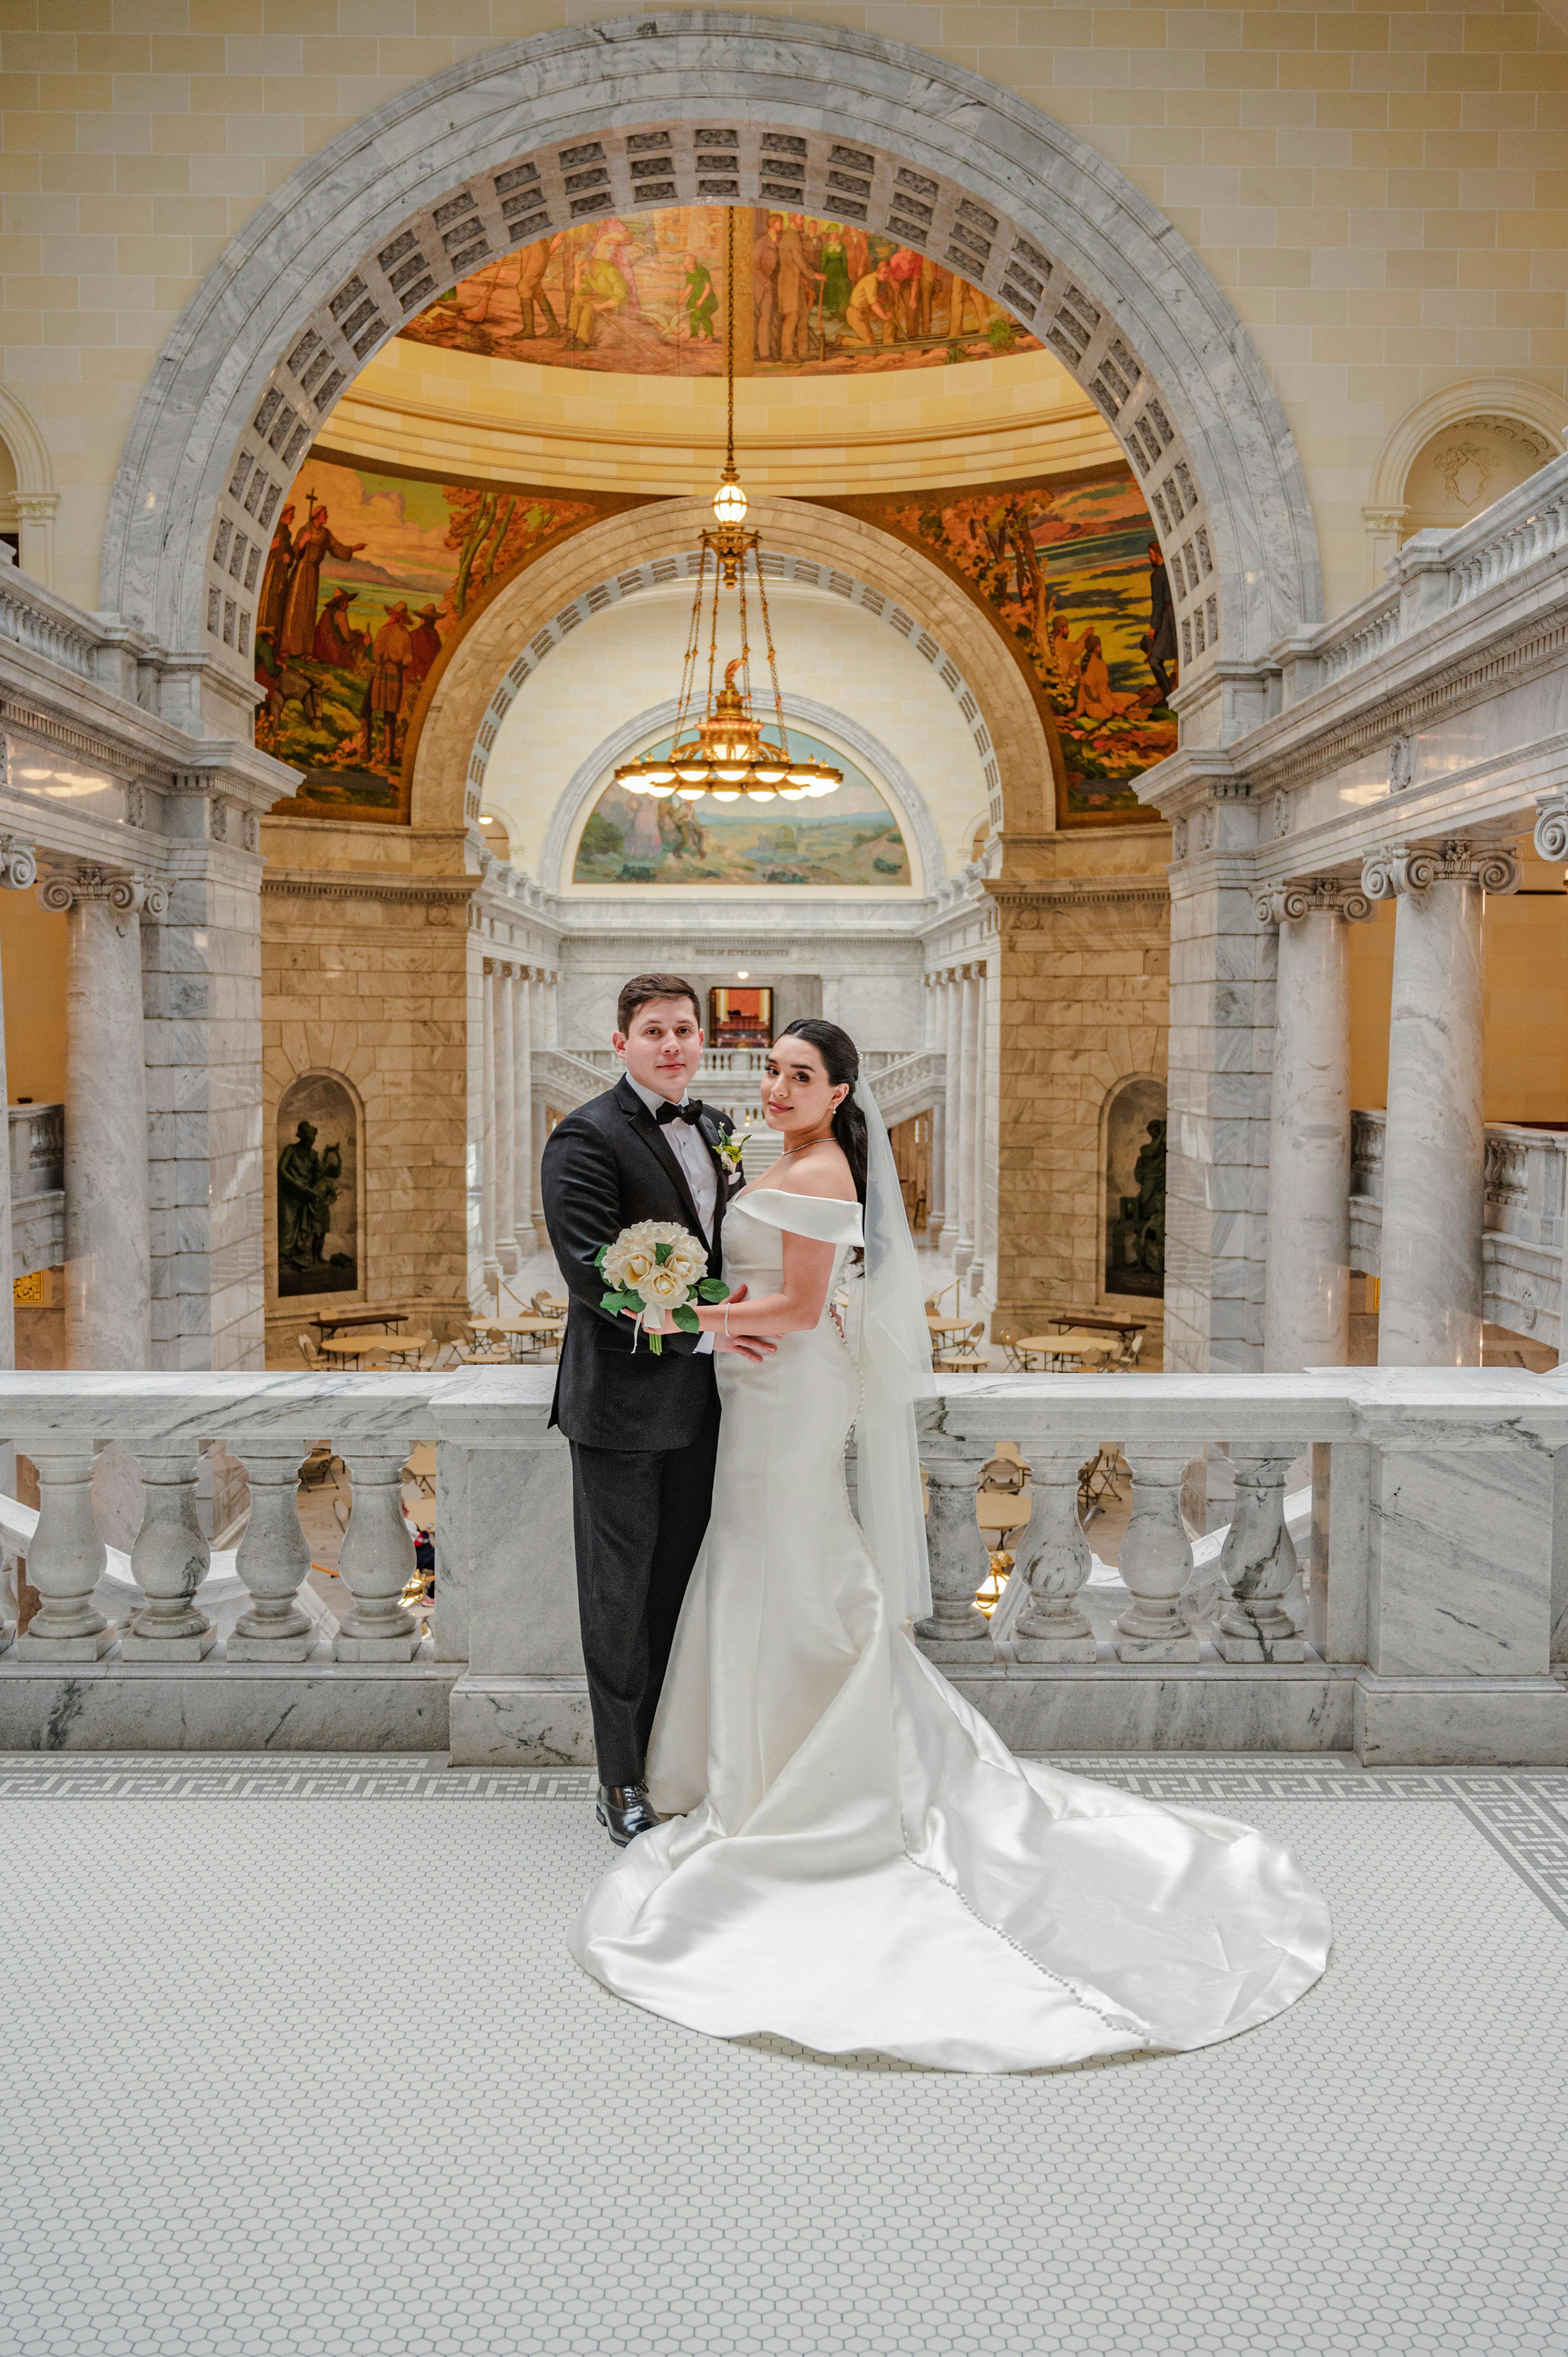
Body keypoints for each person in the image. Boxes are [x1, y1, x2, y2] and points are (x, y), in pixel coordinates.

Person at [569, 1016, 1332, 2073]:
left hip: (783, 1387)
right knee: (749, 1550)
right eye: (773, 1070)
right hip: (754, 1384)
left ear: (839, 1092)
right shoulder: (776, 1153)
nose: (778, 1084)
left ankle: (811, 1766)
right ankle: (745, 1752)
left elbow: (796, 1301)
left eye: (800, 1074)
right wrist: (695, 1309)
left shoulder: (824, 1169)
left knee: (786, 1545)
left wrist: (693, 1307)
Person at [540, 976, 775, 1850]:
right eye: (653, 1031)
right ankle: (619, 1779)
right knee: (618, 1599)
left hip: (709, 1410)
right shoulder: (584, 1135)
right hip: (621, 1408)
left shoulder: (718, 1128)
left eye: (683, 1029)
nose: (672, 1044)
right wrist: (712, 1337)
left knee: (681, 1591)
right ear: (620, 1042)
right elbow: (592, 1270)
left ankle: (676, 1761)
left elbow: (723, 1248)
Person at [278, 500, 364, 660]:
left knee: (309, 610)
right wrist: (304, 541)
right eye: (325, 514)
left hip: (313, 573)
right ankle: (287, 649)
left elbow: (337, 548)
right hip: (301, 571)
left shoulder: (325, 534)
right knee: (295, 609)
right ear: (317, 516)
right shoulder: (304, 530)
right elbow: (296, 551)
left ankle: (306, 652)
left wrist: (353, 549)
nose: (327, 516)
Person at [356, 603, 414, 767]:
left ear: (393, 616)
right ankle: (389, 756)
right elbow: (408, 659)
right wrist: (400, 663)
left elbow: (376, 656)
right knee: (390, 715)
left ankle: (365, 751)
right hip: (395, 677)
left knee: (366, 709)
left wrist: (368, 646)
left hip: (381, 675)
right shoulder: (406, 635)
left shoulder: (384, 631)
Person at [1145, 540, 1177, 704]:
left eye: (1150, 554)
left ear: (1157, 554)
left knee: (1154, 660)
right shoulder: (1172, 570)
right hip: (1174, 617)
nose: (1149, 557)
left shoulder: (1157, 576)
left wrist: (1153, 627)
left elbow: (1158, 604)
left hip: (1167, 620)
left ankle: (1168, 697)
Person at [752, 214, 781, 360]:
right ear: (772, 225)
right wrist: (766, 283)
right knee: (765, 319)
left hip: (778, 285)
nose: (782, 224)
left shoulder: (781, 241)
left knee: (777, 318)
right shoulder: (762, 243)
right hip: (765, 286)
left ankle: (777, 350)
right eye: (779, 222)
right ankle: (765, 353)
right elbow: (755, 266)